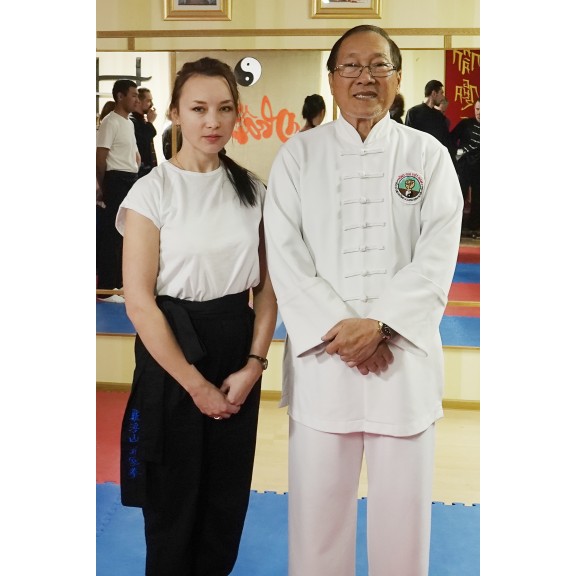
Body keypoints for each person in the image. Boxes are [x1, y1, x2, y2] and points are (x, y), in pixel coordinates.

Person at [263, 25, 463, 576]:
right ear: (331, 79)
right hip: (325, 361)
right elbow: (285, 254)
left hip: (402, 359)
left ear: (397, 78)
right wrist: (344, 331)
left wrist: (381, 326)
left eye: (378, 65)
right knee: (317, 521)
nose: (364, 77)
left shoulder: (427, 155)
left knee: (403, 523)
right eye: (350, 66)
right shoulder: (299, 156)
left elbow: (437, 255)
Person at [116, 57, 277, 576]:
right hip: (171, 352)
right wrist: (195, 385)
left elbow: (267, 288)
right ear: (175, 114)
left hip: (235, 347)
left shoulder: (252, 190)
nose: (213, 121)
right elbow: (139, 301)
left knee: (224, 502)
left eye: (225, 109)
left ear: (237, 114)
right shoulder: (152, 191)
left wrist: (254, 364)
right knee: (173, 501)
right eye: (199, 108)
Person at [96, 79, 140, 290]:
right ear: (120, 96)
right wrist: (103, 186)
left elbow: (133, 154)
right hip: (115, 180)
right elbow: (100, 157)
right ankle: (107, 286)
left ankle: (120, 282)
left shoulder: (129, 123)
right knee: (111, 235)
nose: (137, 100)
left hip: (130, 179)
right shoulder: (110, 122)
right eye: (133, 95)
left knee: (125, 233)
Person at [451, 97, 480, 238]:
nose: (479, 112)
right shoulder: (466, 123)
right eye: (477, 109)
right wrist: (458, 152)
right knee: (459, 195)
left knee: (479, 197)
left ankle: (475, 226)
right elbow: (451, 138)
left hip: (480, 168)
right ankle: (456, 225)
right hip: (464, 166)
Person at [405, 79, 454, 157]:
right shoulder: (413, 112)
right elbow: (408, 139)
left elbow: (446, 142)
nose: (443, 97)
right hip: (418, 158)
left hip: (435, 159)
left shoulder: (439, 116)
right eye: (441, 93)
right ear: (434, 93)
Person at [131, 87, 158, 178]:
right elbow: (142, 142)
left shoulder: (142, 120)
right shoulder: (132, 121)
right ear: (139, 101)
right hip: (140, 172)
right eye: (149, 101)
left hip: (148, 171)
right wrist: (150, 123)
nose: (151, 104)